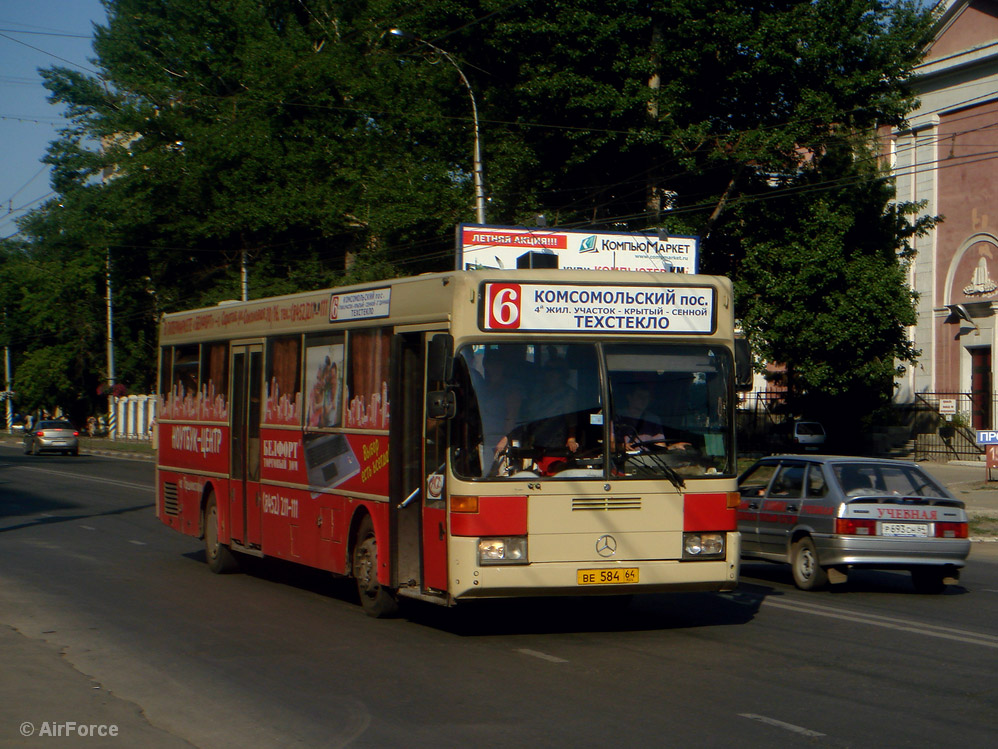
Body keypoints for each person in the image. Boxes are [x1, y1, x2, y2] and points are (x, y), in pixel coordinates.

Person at [612, 380, 689, 452]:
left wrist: (673, 447)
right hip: (625, 462)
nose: (644, 400)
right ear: (629, 397)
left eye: (647, 397)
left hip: (649, 462)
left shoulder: (653, 419)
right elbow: (609, 445)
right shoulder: (617, 418)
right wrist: (621, 446)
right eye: (640, 396)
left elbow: (660, 446)